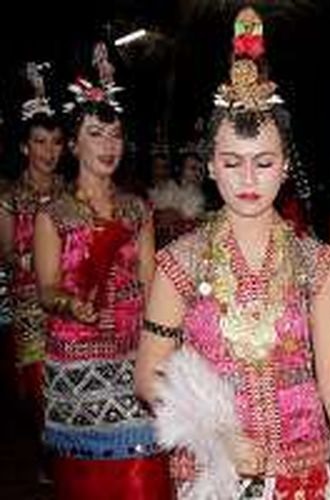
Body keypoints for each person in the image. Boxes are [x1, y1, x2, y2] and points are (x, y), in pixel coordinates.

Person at [134, 7, 330, 499]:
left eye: (263, 163)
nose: (247, 180)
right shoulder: (181, 260)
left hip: (303, 473)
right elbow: (149, 374)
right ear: (212, 168)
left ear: (285, 166)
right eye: (232, 163)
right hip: (214, 474)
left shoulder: (315, 261)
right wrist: (218, 436)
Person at [32, 42, 170, 499]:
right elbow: (46, 289)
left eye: (115, 135)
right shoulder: (53, 214)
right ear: (73, 143)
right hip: (78, 366)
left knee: (144, 476)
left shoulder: (137, 210)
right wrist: (70, 303)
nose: (109, 145)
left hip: (135, 358)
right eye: (96, 134)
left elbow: (153, 286)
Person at [0, 62, 66, 480]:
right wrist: (35, 258)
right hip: (28, 305)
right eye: (40, 142)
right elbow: (5, 253)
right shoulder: (9, 198)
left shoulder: (72, 193)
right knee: (37, 390)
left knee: (66, 385)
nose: (49, 150)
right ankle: (47, 458)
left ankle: (67, 457)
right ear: (25, 147)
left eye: (57, 142)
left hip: (67, 303)